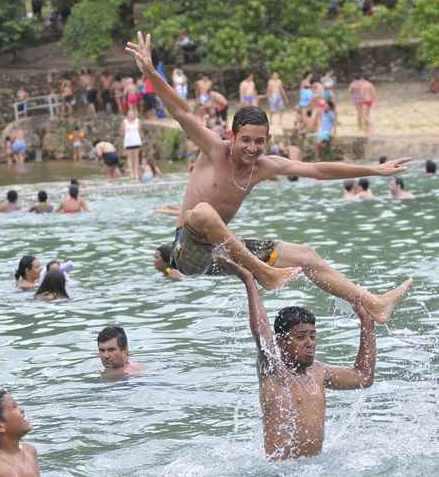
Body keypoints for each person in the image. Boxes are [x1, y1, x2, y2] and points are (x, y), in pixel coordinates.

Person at [125, 31, 411, 324]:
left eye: (259, 142)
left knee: (307, 255)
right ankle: (264, 274)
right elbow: (181, 111)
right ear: (231, 136)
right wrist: (149, 72)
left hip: (221, 253)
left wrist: (374, 170)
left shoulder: (265, 165)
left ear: (267, 140)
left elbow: (317, 169)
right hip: (185, 252)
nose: (252, 148)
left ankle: (373, 304)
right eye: (245, 140)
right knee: (203, 212)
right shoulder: (213, 149)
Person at [230, 262, 377, 460]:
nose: (309, 343)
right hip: (279, 472)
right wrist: (249, 281)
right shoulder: (274, 371)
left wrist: (367, 325)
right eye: (301, 337)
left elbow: (364, 377)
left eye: (313, 337)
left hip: (315, 469)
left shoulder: (319, 372)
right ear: (281, 342)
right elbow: (262, 335)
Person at [121, 110, 142, 180]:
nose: (131, 115)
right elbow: (122, 132)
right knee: (129, 157)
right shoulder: (124, 122)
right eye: (129, 114)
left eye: (132, 114)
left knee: (136, 157)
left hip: (136, 140)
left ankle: (136, 172)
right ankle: (131, 172)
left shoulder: (137, 121)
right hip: (128, 141)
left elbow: (139, 130)